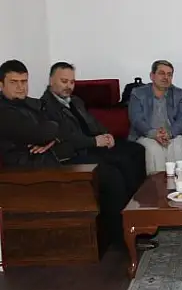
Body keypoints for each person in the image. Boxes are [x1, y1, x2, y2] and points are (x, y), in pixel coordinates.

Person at [0, 60, 151, 249]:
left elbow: (53, 129)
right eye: (14, 82)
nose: (21, 87)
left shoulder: (29, 103)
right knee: (112, 175)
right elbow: (47, 130)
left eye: (24, 81)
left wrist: (49, 137)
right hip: (33, 169)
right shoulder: (5, 111)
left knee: (131, 155)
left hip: (52, 156)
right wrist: (48, 134)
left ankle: (135, 222)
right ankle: (122, 238)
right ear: (1, 84)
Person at [40, 61, 147, 200]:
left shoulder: (75, 101)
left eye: (72, 82)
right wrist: (95, 141)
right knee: (118, 165)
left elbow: (93, 122)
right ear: (51, 81)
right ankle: (122, 209)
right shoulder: (46, 106)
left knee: (137, 150)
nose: (69, 86)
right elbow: (67, 137)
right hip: (77, 152)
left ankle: (138, 200)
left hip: (93, 145)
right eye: (64, 81)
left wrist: (107, 134)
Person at [128, 60, 182, 175]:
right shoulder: (138, 93)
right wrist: (154, 134)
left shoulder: (179, 94)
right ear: (152, 76)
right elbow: (136, 119)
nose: (166, 77)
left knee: (177, 147)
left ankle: (179, 183)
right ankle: (158, 184)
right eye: (161, 73)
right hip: (146, 135)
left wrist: (169, 133)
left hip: (172, 134)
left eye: (169, 74)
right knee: (154, 149)